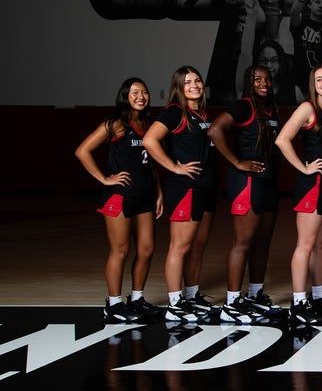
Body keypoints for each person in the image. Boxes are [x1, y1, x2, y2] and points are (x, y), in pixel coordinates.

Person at [75, 78, 163, 323]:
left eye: (144, 92)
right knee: (120, 250)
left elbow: (150, 162)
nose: (140, 96)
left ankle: (136, 300)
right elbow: (82, 151)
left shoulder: (147, 124)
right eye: (135, 92)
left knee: (147, 249)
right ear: (125, 96)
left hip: (145, 195)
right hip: (120, 195)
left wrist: (159, 192)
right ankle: (113, 305)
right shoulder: (115, 124)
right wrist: (104, 179)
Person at [208, 65, 284, 324]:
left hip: (268, 181)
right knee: (244, 242)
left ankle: (254, 295)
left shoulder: (271, 108)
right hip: (247, 181)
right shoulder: (243, 106)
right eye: (257, 79)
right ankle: (232, 302)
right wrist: (236, 162)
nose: (263, 83)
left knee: (263, 242)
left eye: (267, 79)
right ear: (248, 82)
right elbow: (215, 130)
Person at [142, 66, 218, 322]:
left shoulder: (202, 112)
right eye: (188, 83)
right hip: (185, 188)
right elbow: (150, 140)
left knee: (198, 245)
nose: (195, 85)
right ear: (179, 87)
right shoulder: (175, 112)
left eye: (197, 80)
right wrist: (174, 166)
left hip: (205, 186)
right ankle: (175, 303)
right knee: (180, 246)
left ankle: (191, 295)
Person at [275, 66, 322, 325]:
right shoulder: (307, 109)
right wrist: (304, 167)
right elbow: (282, 139)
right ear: (312, 84)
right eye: (319, 79)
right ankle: (298, 302)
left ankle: (317, 297)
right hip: (312, 185)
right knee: (305, 244)